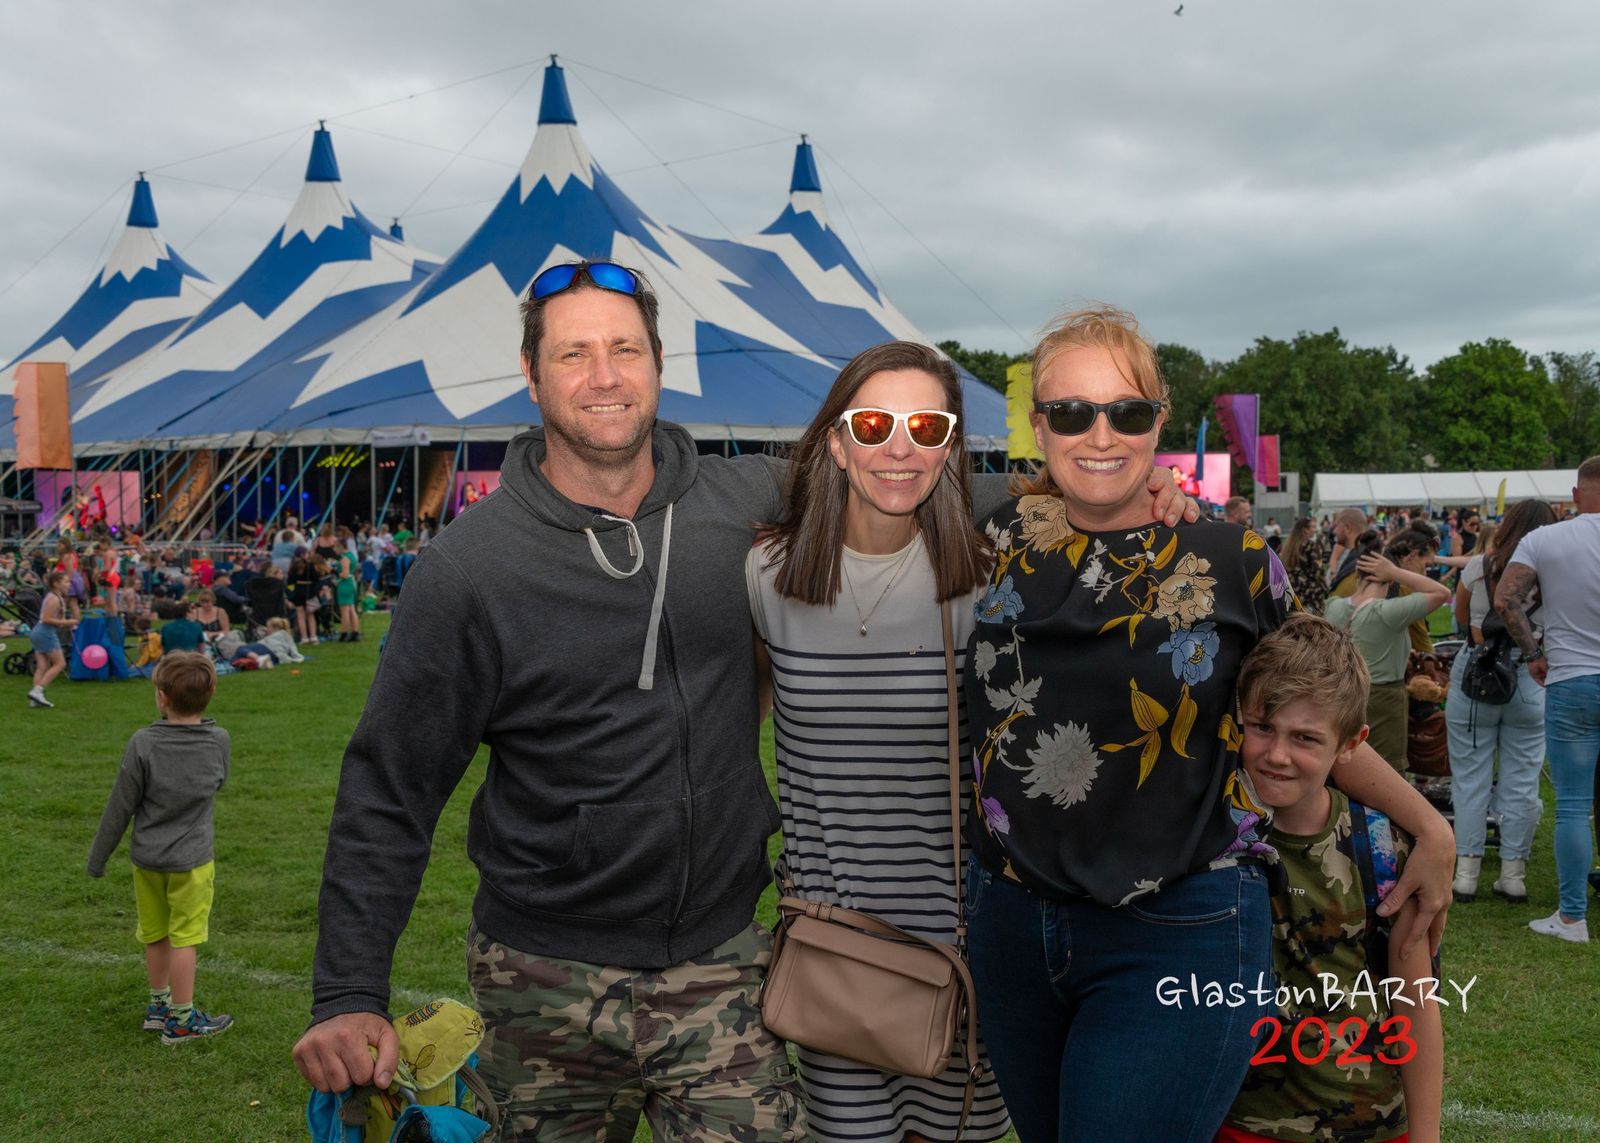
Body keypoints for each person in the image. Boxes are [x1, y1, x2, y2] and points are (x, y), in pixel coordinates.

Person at [291, 263, 1198, 1139]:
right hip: (542, 977)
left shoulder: (737, 499)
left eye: (625, 349)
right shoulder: (469, 570)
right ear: (531, 375)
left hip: (720, 966)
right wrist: (348, 993)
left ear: (658, 364)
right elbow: (389, 789)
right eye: (573, 353)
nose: (604, 376)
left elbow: (911, 472)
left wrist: (1114, 484)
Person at [961, 306, 1453, 1143]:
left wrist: (1430, 826)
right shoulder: (989, 542)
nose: (1100, 434)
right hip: (1011, 921)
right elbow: (868, 480)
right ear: (1038, 426)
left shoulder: (1233, 559)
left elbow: (1323, 715)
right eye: (1072, 412)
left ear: (1159, 421)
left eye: (1127, 411)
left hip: (1180, 923)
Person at [747, 341, 1010, 1142]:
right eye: (874, 424)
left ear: (949, 448)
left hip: (961, 958)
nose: (900, 446)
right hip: (835, 954)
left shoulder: (986, 582)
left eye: (926, 426)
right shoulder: (767, 575)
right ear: (836, 441)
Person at [1220, 615, 1442, 1143]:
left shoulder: (1384, 848)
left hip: (1368, 1123)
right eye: (1262, 727)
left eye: (1305, 738)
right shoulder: (1211, 835)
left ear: (1350, 743)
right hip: (1238, 1123)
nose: (1277, 755)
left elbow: (1415, 1003)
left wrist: (1427, 1135)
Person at [86, 651, 233, 1043]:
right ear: (211, 694)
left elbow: (120, 805)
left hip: (147, 861)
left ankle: (159, 1005)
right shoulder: (218, 741)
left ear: (162, 697)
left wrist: (98, 859)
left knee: (155, 933)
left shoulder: (143, 743)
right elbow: (221, 781)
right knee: (185, 937)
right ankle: (180, 1020)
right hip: (192, 864)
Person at [1497, 456, 1600, 943]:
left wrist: (1534, 654)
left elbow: (1506, 600)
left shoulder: (1545, 539)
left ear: (1576, 495)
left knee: (1574, 805)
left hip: (1572, 678)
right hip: (1573, 677)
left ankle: (1572, 917)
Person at [1446, 499, 1556, 903]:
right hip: (1529, 671)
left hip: (1477, 672)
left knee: (1469, 776)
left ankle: (1467, 872)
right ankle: (1513, 873)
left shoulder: (1479, 566)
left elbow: (1461, 616)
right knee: (1523, 779)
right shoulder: (1551, 572)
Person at [1325, 537, 1451, 773]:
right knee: (1387, 770)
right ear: (1390, 579)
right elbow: (1441, 592)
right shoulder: (1387, 612)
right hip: (1383, 698)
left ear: (1357, 574)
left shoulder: (1334, 606)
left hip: (1340, 692)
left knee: (1343, 765)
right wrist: (1396, 572)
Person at [27, 570, 75, 708]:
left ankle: (35, 700)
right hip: (45, 633)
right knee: (60, 664)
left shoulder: (55, 597)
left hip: (38, 632)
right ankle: (38, 691)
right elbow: (46, 619)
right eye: (65, 582)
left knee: (42, 666)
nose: (68, 584)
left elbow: (55, 619)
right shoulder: (54, 599)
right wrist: (68, 622)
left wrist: (65, 623)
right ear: (56, 584)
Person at [1280, 516, 1330, 616]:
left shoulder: (1288, 546)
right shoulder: (1311, 546)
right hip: (1310, 595)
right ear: (1304, 530)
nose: (1314, 530)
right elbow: (1317, 571)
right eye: (1312, 527)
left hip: (1293, 593)